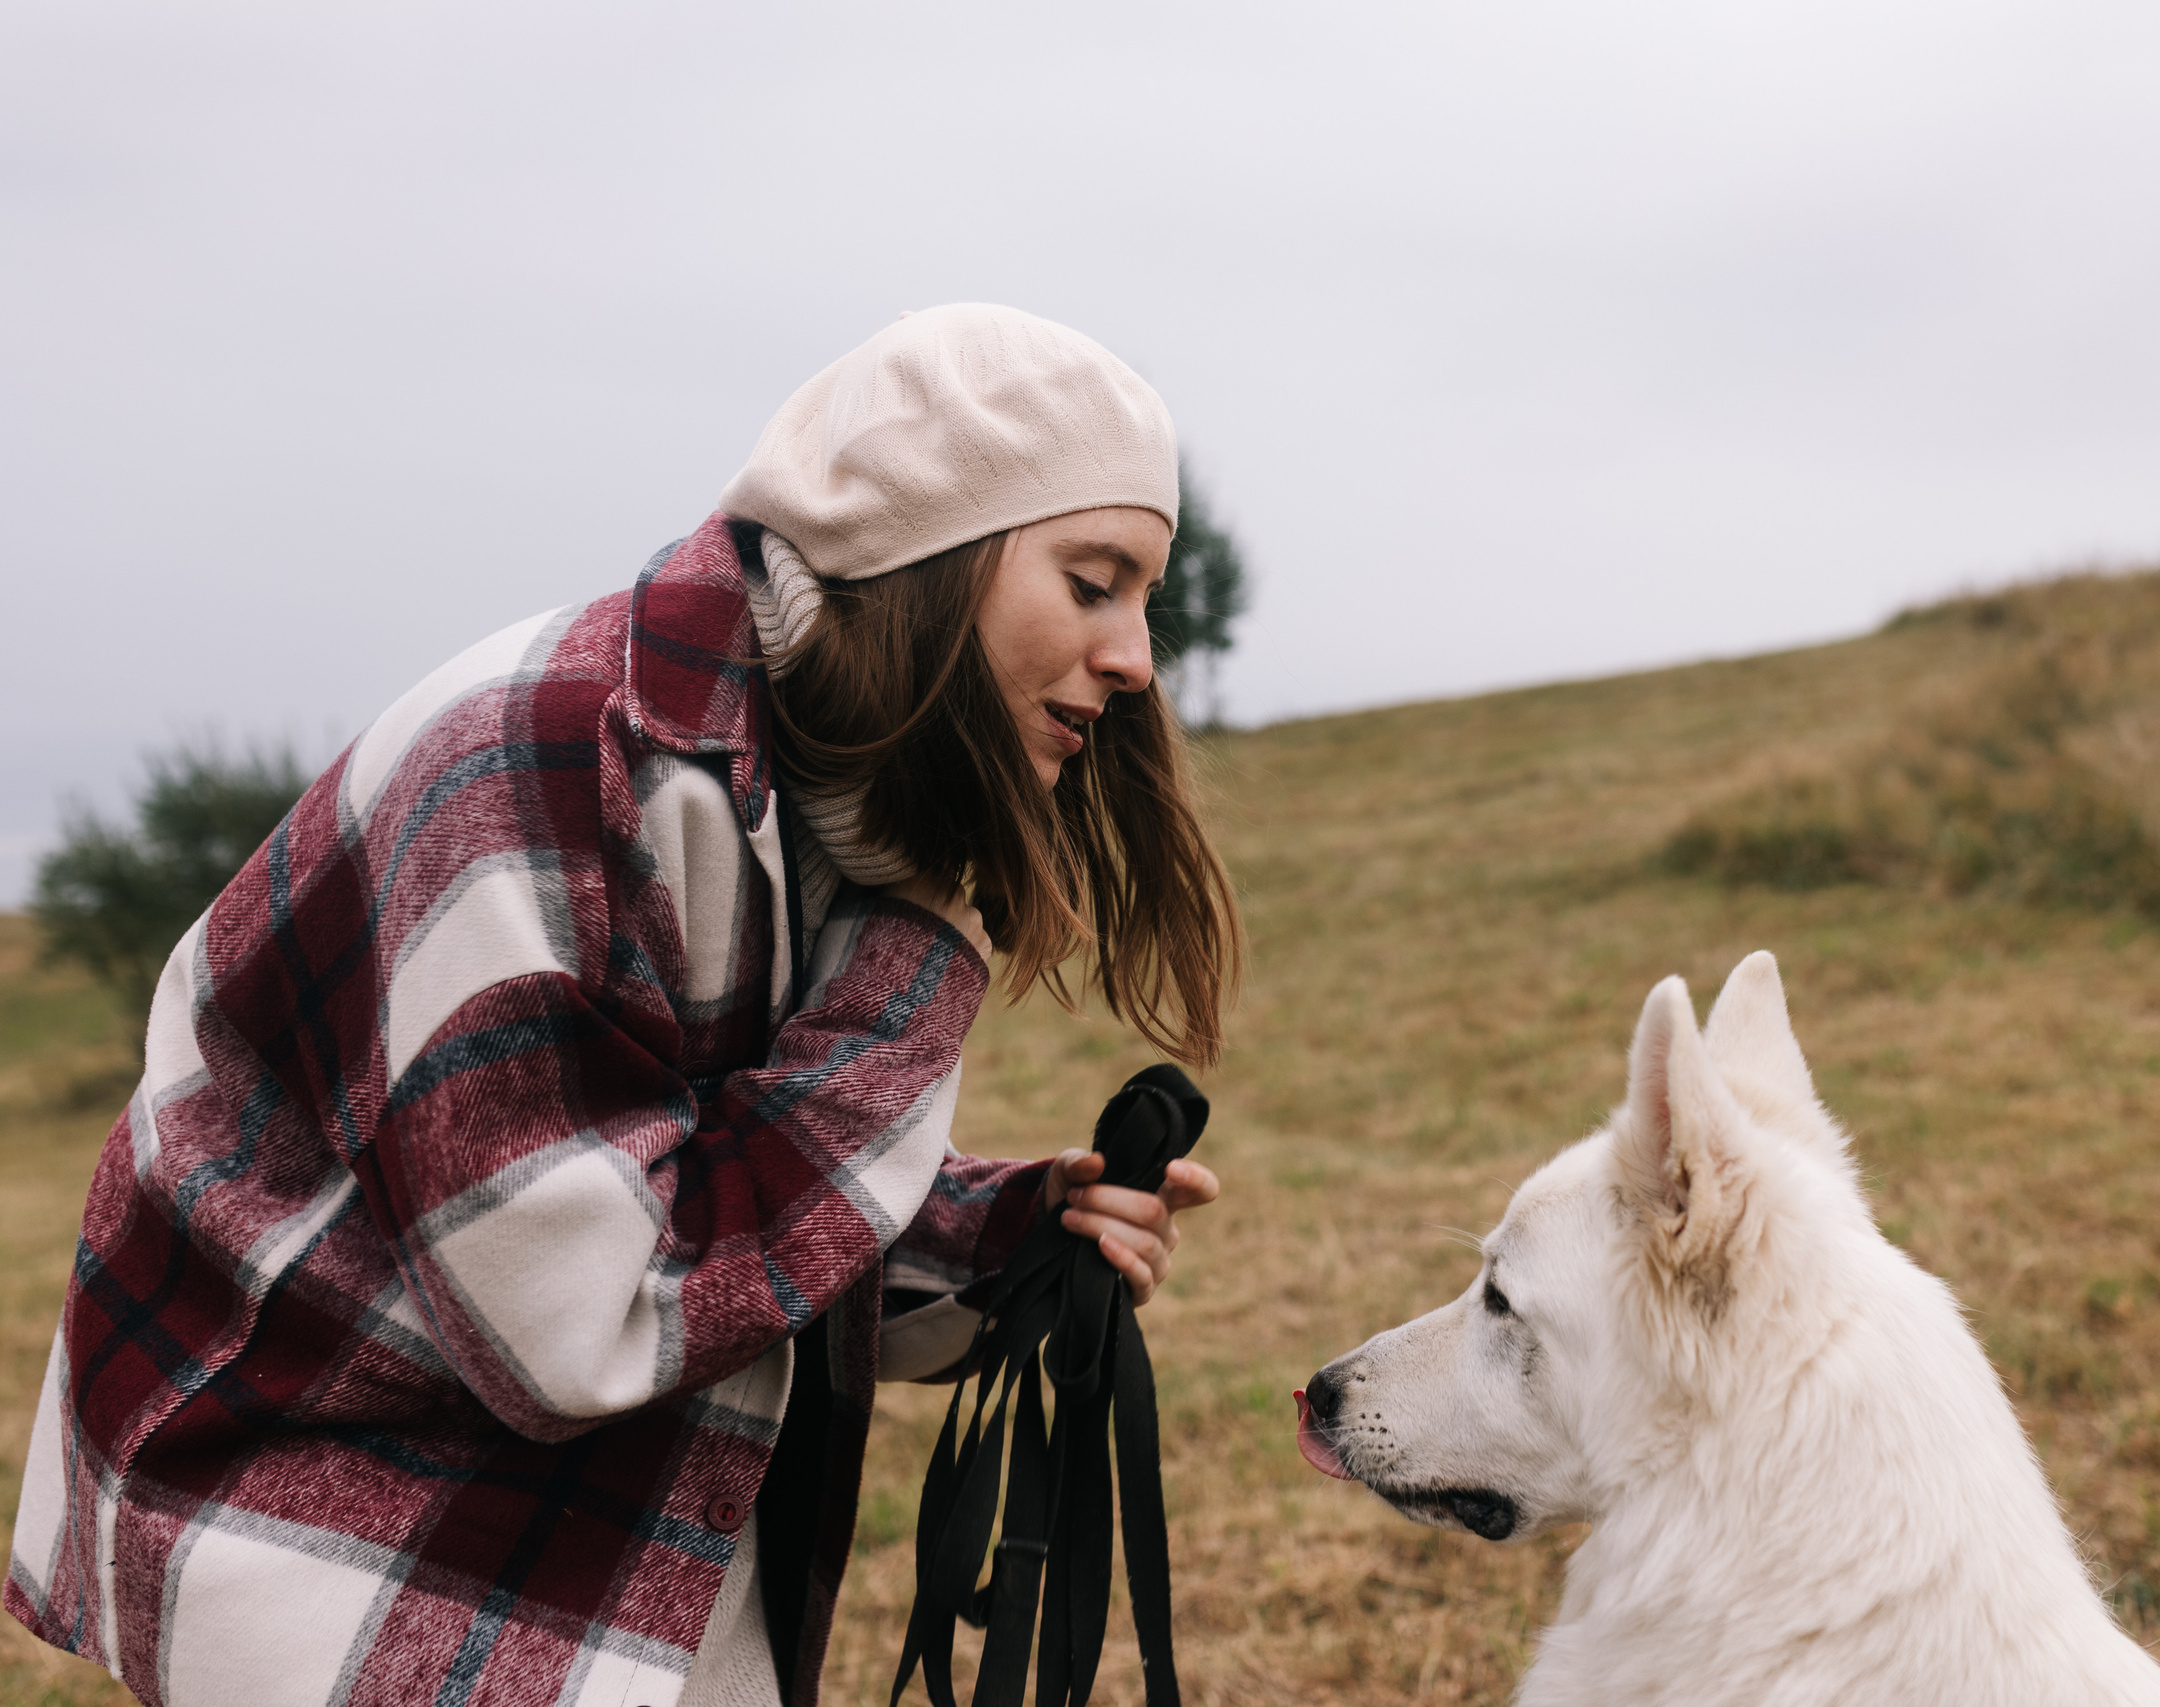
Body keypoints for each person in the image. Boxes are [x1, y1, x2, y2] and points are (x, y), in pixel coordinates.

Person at [5, 304, 1241, 1707]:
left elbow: (683, 1168)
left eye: (1143, 598)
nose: (1137, 656)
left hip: (542, 1533)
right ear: (925, 561)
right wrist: (917, 975)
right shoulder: (541, 767)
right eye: (1094, 583)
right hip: (326, 1530)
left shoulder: (812, 795)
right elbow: (588, 1314)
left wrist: (1001, 1240)